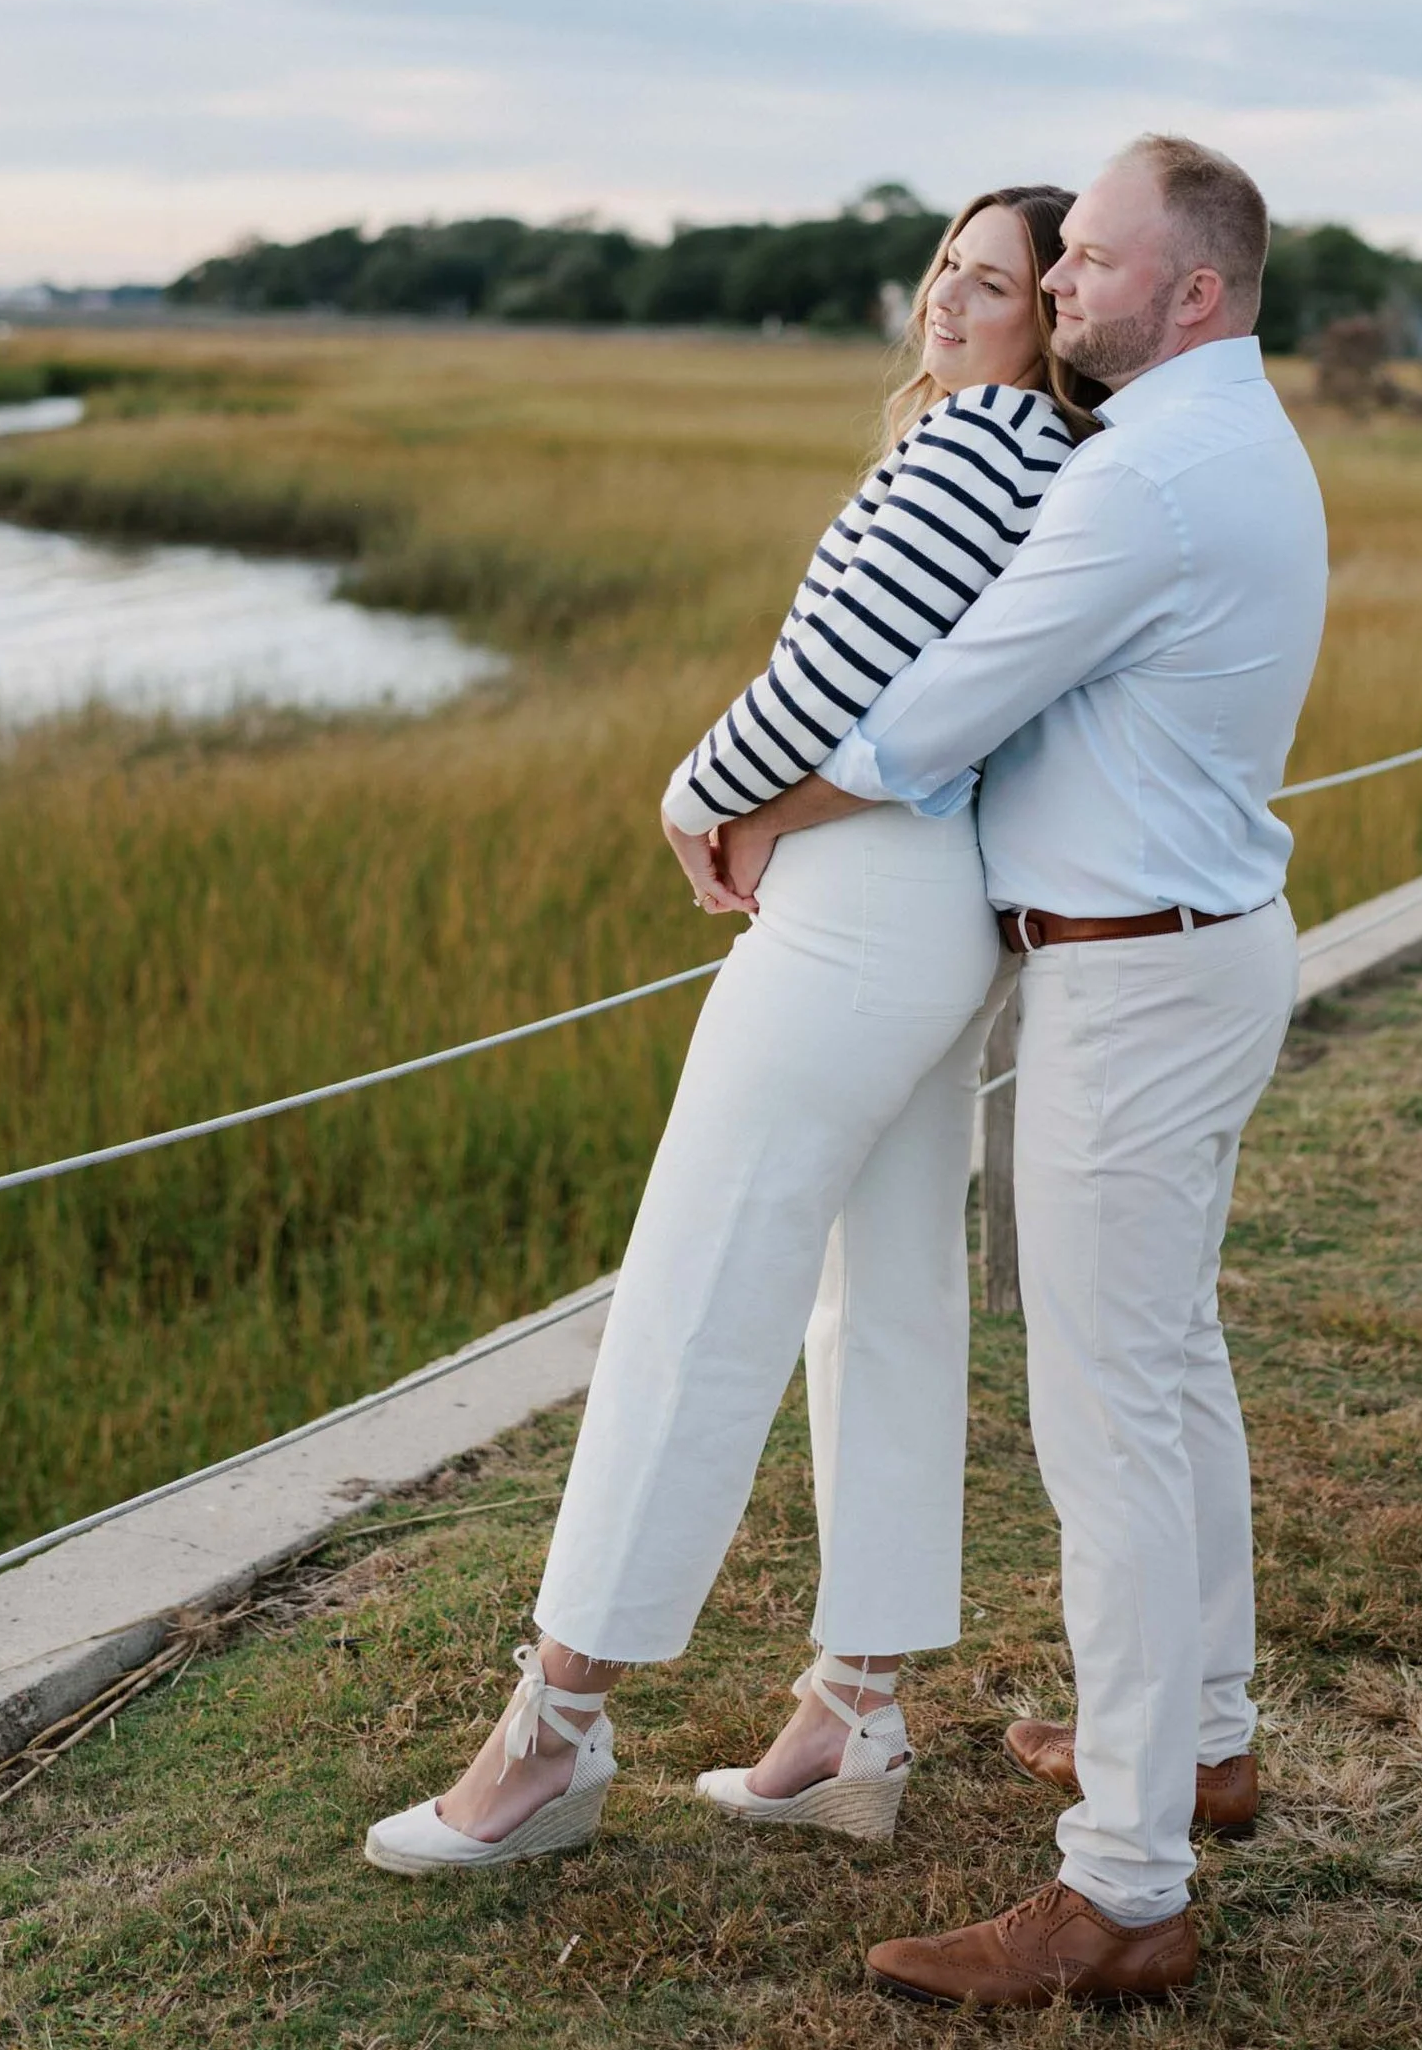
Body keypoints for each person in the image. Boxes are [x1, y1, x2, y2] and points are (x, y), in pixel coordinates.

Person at [362, 187, 1100, 1877]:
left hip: (856, 906)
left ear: (1052, 324)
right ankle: (856, 1707)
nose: (954, 303)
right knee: (886, 1291)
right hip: (946, 899)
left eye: (997, 283)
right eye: (948, 270)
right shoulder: (1054, 464)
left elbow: (831, 662)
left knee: (703, 1274)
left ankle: (551, 1730)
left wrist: (699, 792)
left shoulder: (981, 443)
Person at [713, 134, 1327, 2007]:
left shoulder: (1144, 479)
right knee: (1172, 1369)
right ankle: (1200, 1746)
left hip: (1138, 982)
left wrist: (729, 808)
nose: (1060, 282)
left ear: (1193, 294)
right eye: (1049, 269)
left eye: (1094, 264)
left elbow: (930, 716)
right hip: (1191, 954)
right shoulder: (1219, 437)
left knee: (1110, 1421)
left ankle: (1125, 1883)